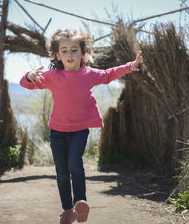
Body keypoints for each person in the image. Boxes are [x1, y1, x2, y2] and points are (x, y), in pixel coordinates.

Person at [19, 29, 142, 224]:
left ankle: (80, 202)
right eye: (65, 50)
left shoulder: (89, 74)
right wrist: (30, 75)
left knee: (75, 163)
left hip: (79, 130)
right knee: (61, 173)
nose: (70, 54)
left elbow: (109, 74)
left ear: (83, 54)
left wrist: (130, 66)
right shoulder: (52, 76)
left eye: (74, 50)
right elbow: (26, 84)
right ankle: (68, 210)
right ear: (58, 55)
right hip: (57, 132)